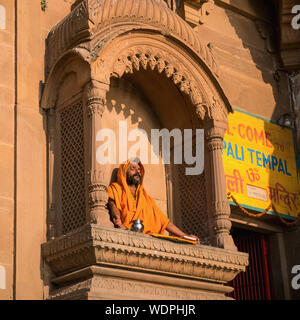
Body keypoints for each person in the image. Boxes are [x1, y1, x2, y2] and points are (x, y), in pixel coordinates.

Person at [107, 158, 199, 243]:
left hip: (147, 239)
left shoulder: (145, 197)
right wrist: (119, 224)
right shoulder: (116, 188)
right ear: (124, 172)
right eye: (133, 168)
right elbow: (114, 208)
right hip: (126, 235)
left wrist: (185, 236)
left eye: (139, 169)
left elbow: (165, 222)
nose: (137, 172)